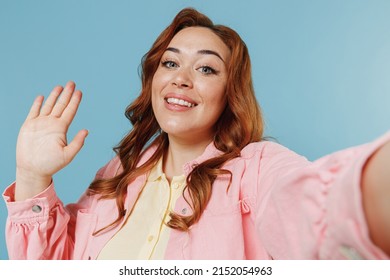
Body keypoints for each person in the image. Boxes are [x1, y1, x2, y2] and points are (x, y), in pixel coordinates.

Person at [3, 7, 390, 260]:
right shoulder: (115, 176)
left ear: (229, 92)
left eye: (206, 69)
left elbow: (310, 207)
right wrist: (33, 176)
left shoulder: (258, 170)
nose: (181, 80)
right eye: (170, 63)